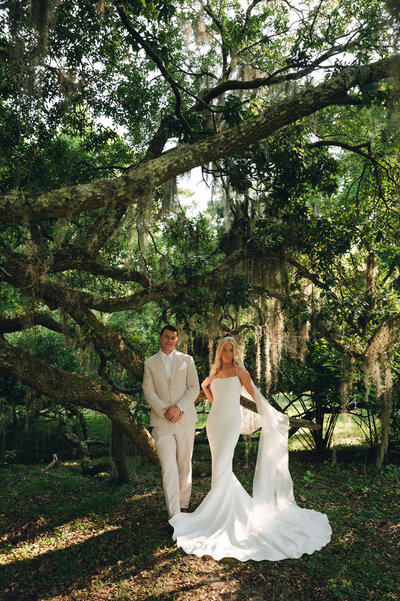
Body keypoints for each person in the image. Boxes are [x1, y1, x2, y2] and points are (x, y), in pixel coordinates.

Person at [169, 336, 332, 561]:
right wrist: (210, 390)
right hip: (214, 423)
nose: (227, 353)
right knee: (218, 467)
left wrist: (274, 416)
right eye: (224, 350)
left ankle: (227, 516)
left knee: (224, 465)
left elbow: (256, 397)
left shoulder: (240, 372)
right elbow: (206, 388)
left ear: (235, 352)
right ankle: (217, 513)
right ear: (219, 352)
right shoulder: (215, 372)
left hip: (230, 423)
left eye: (230, 350)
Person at [142, 325, 200, 519]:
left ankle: (183, 505)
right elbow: (148, 391)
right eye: (166, 337)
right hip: (162, 422)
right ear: (160, 338)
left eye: (173, 338)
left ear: (177, 340)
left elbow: (194, 388)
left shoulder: (187, 360)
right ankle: (174, 514)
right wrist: (165, 411)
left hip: (185, 419)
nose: (169, 340)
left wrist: (179, 408)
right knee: (168, 467)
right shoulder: (150, 363)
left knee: (184, 464)